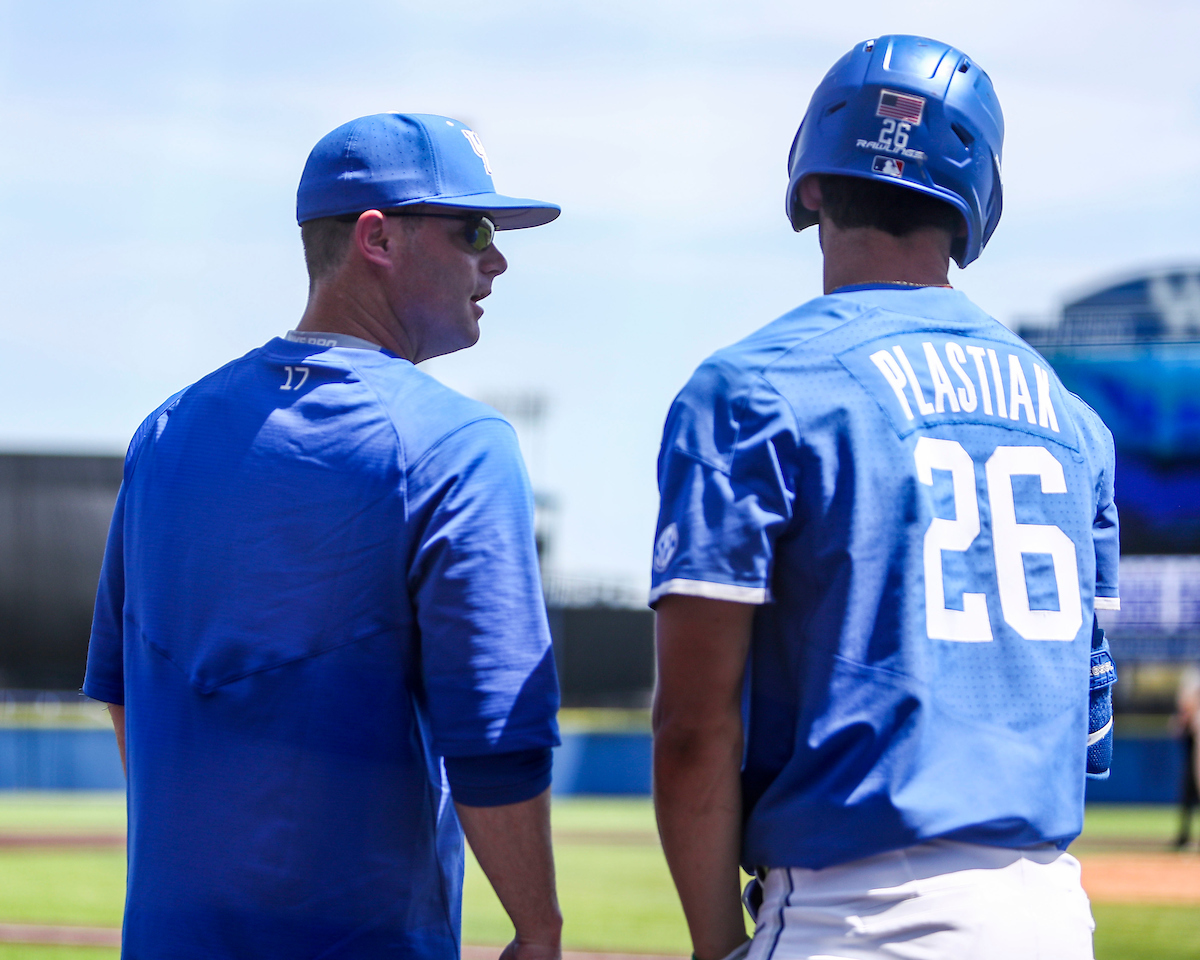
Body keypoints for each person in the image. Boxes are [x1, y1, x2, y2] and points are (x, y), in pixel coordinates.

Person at [650, 36, 1119, 960]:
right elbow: (1086, 726)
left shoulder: (750, 388)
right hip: (1052, 916)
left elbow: (694, 725)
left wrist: (714, 945)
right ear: (973, 201)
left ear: (813, 183)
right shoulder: (1076, 423)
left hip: (852, 917)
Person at [84, 113, 564, 960]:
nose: (495, 260)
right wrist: (537, 928)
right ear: (377, 238)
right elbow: (495, 735)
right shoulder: (456, 443)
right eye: (473, 230)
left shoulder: (166, 431)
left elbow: (125, 690)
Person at [1173, 664, 1200, 849]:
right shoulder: (1193, 674)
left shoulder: (1193, 676)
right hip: (1193, 739)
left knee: (1190, 789)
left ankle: (1183, 837)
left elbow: (1187, 706)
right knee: (1189, 789)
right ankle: (1183, 837)